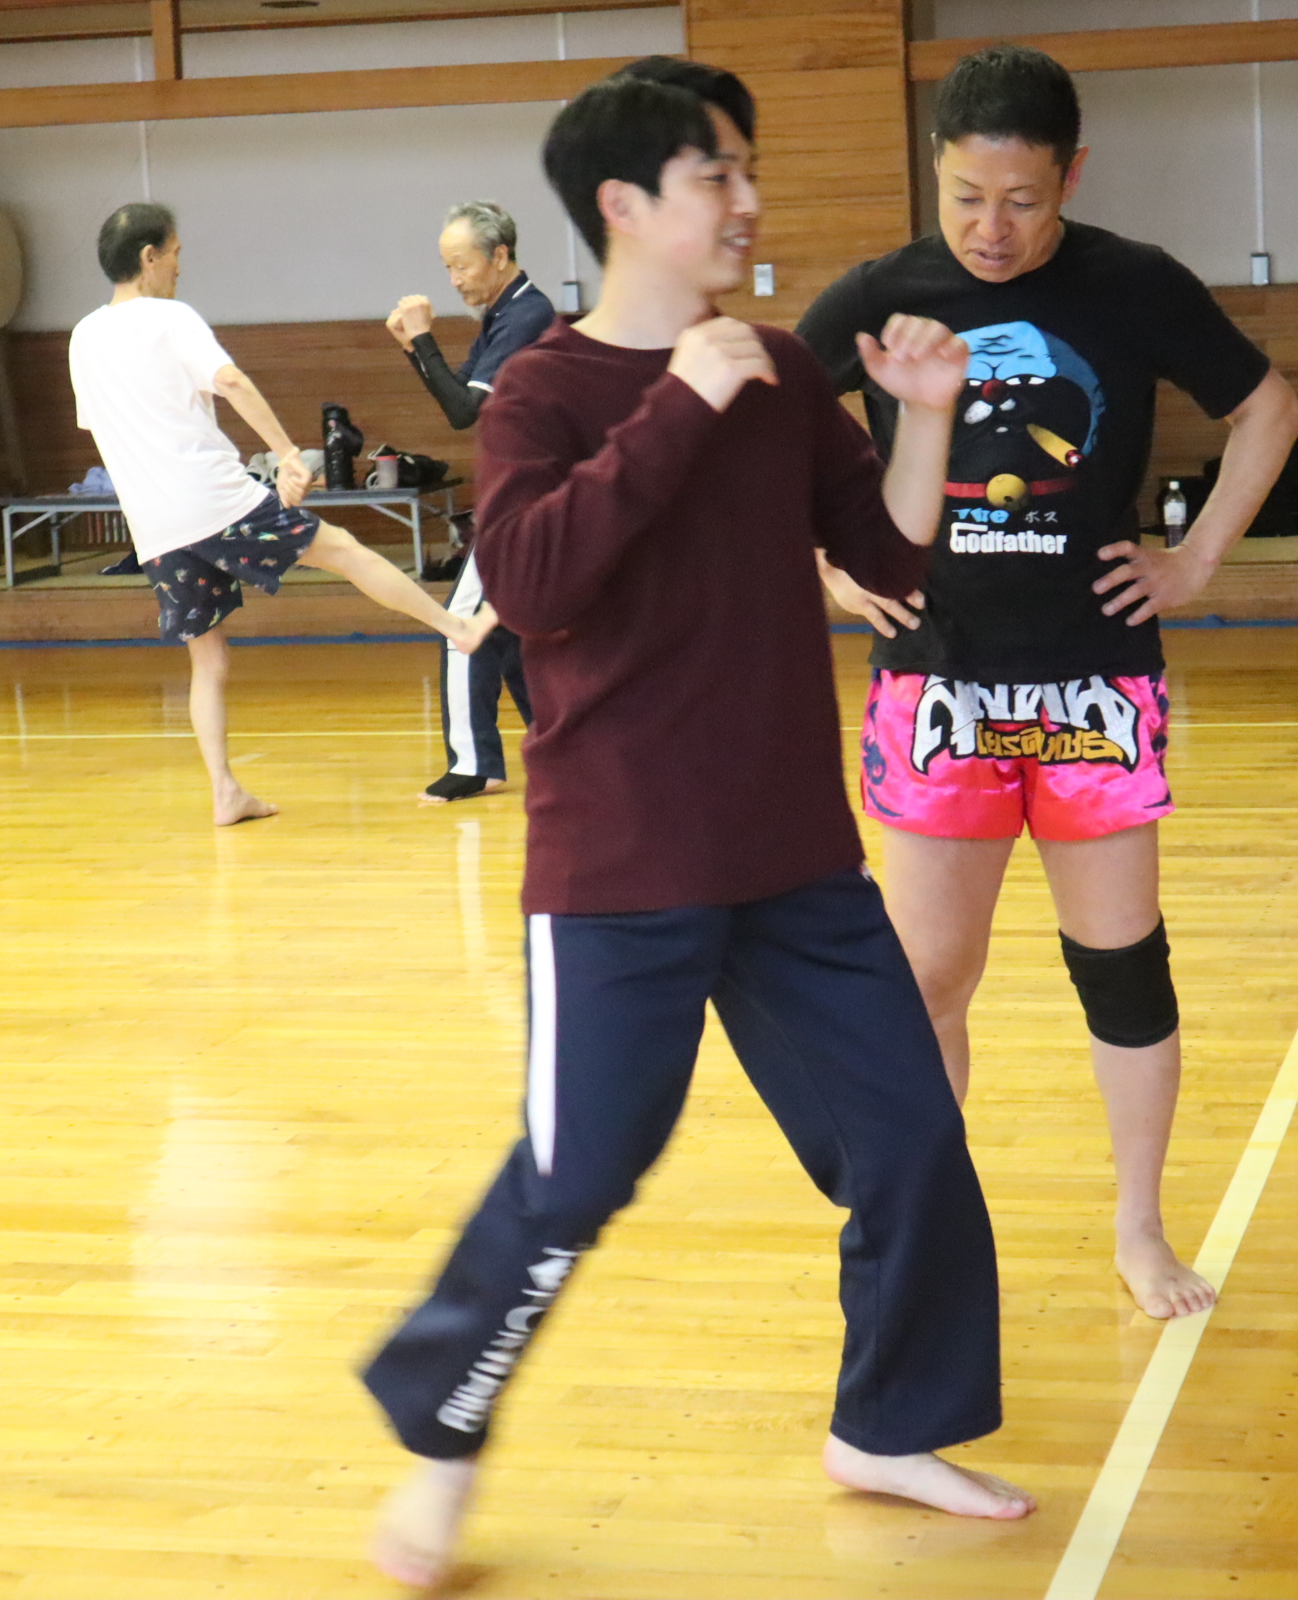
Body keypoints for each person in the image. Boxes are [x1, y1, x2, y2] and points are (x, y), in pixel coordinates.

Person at [358, 62, 1035, 1589]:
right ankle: (441, 1439)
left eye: (746, 170)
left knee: (910, 1139)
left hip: (792, 858)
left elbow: (889, 562)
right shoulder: (546, 391)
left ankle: (887, 1427)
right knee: (578, 1175)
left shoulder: (784, 371)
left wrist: (927, 419)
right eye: (715, 174)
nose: (747, 200)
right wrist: (680, 402)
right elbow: (533, 588)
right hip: (622, 866)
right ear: (624, 204)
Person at [795, 44, 1298, 1320]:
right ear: (937, 171)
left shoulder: (1133, 283)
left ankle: (1140, 1229)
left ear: (1071, 176)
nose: (992, 228)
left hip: (1094, 686)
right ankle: (928, 1235)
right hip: (938, 685)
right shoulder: (883, 294)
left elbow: (1270, 408)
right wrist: (828, 564)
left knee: (1121, 965)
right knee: (927, 978)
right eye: (968, 197)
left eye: (1022, 200)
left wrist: (1195, 559)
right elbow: (761, 440)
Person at [68, 203, 496, 826]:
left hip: (154, 526)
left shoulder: (83, 336)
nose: (180, 267)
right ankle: (455, 627)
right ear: (148, 257)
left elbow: (104, 429)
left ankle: (225, 791)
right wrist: (289, 456)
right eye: (176, 254)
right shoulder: (170, 317)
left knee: (209, 659)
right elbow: (231, 381)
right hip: (214, 500)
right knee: (343, 549)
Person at [384, 199, 558, 804]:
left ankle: (473, 764)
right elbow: (458, 393)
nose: (454, 279)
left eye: (462, 265)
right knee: (507, 635)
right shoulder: (508, 313)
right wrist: (414, 349)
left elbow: (464, 411)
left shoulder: (528, 314)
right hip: (525, 495)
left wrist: (424, 337)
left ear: (500, 255)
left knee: (462, 624)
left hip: (529, 499)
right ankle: (559, 742)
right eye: (447, 267)